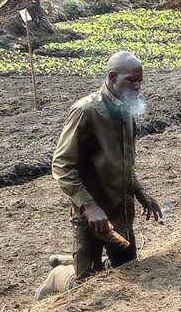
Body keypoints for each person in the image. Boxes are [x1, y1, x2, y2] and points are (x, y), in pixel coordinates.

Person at [50, 50, 162, 282]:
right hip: (91, 218)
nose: (137, 87)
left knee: (128, 272)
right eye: (131, 80)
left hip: (120, 214)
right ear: (112, 77)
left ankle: (69, 262)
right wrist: (89, 205)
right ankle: (58, 276)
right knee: (85, 284)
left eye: (140, 81)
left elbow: (123, 163)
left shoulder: (126, 111)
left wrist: (140, 193)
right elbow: (62, 164)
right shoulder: (86, 111)